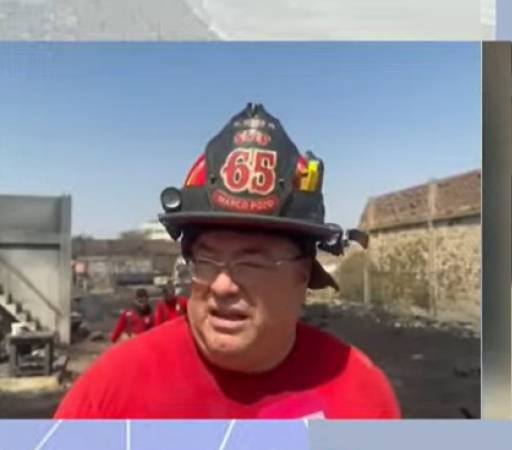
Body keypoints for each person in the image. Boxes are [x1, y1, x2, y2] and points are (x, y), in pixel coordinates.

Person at [55, 103, 400, 419]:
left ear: (303, 274)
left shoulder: (360, 393)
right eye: (207, 259)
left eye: (251, 262)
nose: (221, 285)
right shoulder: (107, 395)